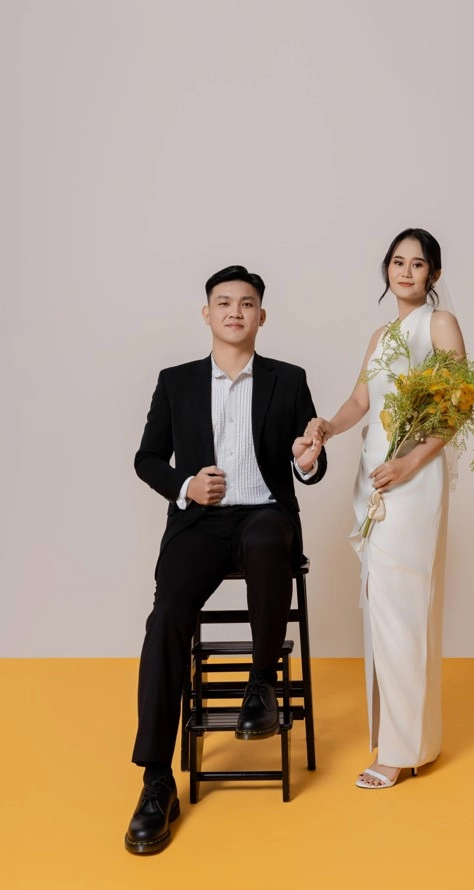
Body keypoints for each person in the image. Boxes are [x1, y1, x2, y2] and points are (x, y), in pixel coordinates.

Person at [125, 265, 326, 853]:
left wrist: (306, 459)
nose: (235, 311)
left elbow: (310, 464)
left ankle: (261, 683)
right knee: (166, 618)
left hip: (264, 513)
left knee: (265, 541)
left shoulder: (289, 380)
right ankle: (156, 780)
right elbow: (146, 458)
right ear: (207, 313)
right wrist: (186, 485)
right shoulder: (176, 382)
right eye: (224, 302)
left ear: (262, 315)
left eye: (246, 303)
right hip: (199, 523)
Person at [306, 229, 464, 789]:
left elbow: (455, 406)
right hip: (376, 472)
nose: (406, 271)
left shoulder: (439, 324)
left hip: (412, 478)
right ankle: (405, 740)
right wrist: (327, 426)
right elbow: (361, 400)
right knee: (383, 606)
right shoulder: (380, 334)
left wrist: (410, 464)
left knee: (405, 605)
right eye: (398, 262)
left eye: (418, 264)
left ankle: (402, 750)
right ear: (387, 269)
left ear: (433, 275)